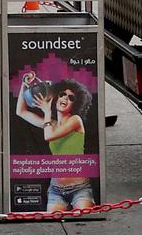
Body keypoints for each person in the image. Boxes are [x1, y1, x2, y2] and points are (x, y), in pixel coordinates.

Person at [16, 72, 95, 213]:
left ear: (75, 104)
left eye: (71, 97)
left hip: (80, 188)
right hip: (56, 189)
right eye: (62, 94)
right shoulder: (51, 123)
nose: (65, 98)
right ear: (55, 96)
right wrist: (25, 85)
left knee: (85, 222)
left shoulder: (75, 120)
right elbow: (21, 112)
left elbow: (49, 136)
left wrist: (46, 111)